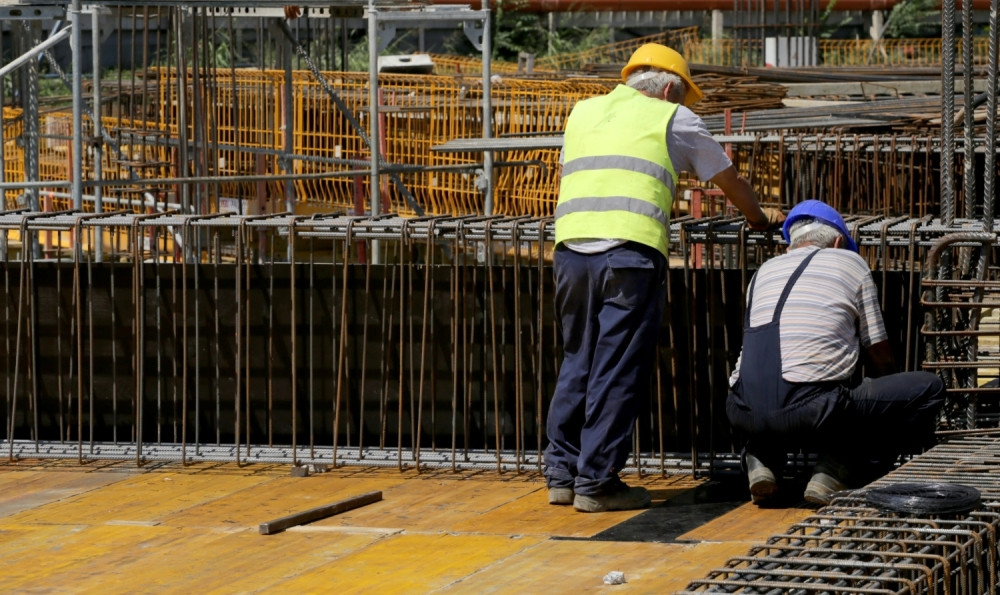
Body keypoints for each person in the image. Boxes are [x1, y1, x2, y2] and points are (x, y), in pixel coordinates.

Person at [544, 43, 786, 513]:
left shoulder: (583, 112)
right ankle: (596, 483)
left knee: (578, 360)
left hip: (571, 251)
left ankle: (561, 475)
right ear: (670, 87)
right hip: (629, 252)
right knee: (615, 367)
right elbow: (728, 180)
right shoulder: (671, 118)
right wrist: (759, 217)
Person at [726, 199, 946, 506]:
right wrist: (880, 406)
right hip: (814, 409)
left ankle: (761, 456)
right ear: (839, 242)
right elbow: (878, 351)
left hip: (741, 408)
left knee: (784, 392)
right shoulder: (850, 263)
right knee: (928, 389)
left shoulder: (763, 271)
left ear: (792, 244)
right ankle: (837, 465)